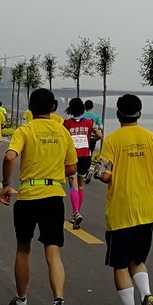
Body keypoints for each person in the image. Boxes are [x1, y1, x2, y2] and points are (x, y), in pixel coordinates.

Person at [0, 88, 77, 305]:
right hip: (54, 196)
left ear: (30, 108)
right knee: (53, 252)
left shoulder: (25, 130)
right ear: (53, 107)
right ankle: (59, 303)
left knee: (23, 249)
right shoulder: (63, 132)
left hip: (29, 196)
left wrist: (6, 184)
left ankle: (21, 302)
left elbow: (10, 156)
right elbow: (72, 167)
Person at [98, 94, 153, 305]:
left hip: (122, 209)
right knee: (138, 260)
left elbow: (105, 174)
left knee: (120, 265)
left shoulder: (112, 140)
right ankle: (147, 295)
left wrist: (105, 175)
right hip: (148, 208)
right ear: (139, 114)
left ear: (119, 114)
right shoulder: (152, 138)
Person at [63, 98, 97, 229]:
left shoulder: (66, 123)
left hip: (72, 158)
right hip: (86, 157)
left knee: (73, 186)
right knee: (80, 185)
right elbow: (99, 134)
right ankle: (77, 211)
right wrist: (91, 138)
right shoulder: (89, 122)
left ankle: (75, 213)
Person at [82, 99, 103, 183]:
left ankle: (83, 170)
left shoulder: (82, 115)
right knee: (90, 152)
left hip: (83, 137)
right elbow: (101, 127)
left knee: (83, 154)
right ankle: (89, 169)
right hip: (93, 138)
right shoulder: (96, 116)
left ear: (85, 107)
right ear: (92, 107)